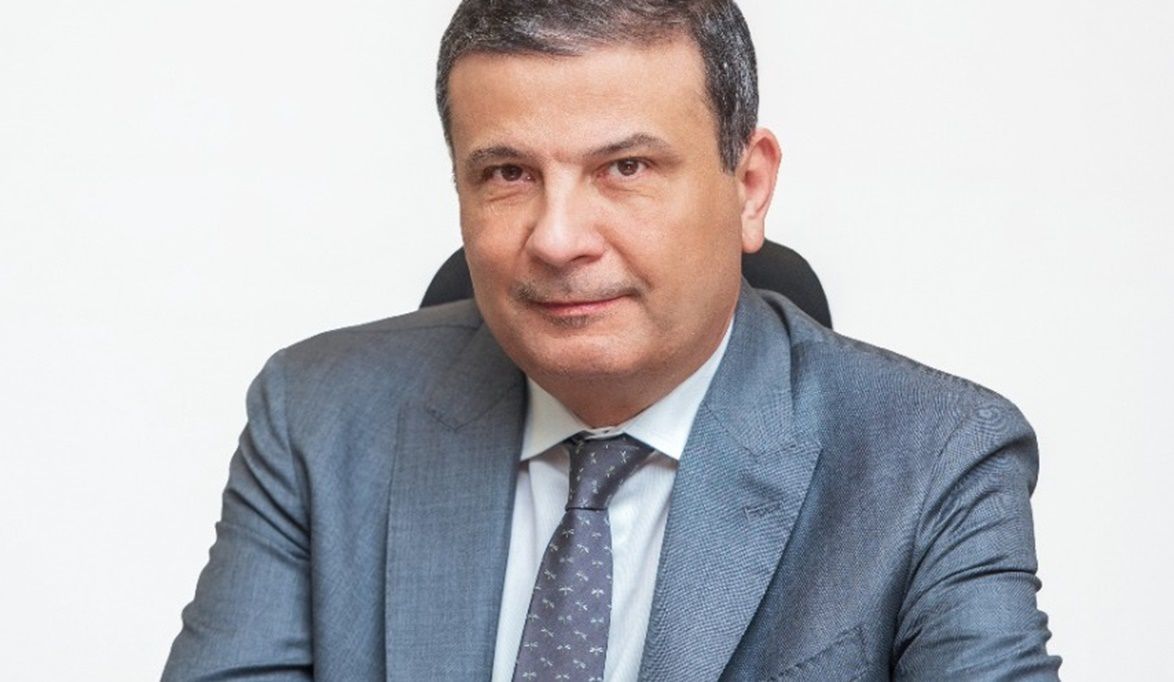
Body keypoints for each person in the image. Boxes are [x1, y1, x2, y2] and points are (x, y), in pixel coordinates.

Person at [163, 1, 1061, 679]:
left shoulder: (934, 459)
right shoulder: (319, 418)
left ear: (749, 186)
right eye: (508, 173)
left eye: (625, 168)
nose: (558, 240)